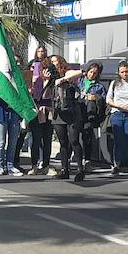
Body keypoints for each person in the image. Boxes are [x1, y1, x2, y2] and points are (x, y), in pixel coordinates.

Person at [48, 55, 87, 183]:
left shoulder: (67, 72)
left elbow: (81, 72)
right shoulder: (49, 76)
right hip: (58, 112)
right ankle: (65, 169)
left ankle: (81, 170)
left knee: (74, 140)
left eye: (56, 61)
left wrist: (63, 79)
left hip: (71, 111)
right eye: (51, 62)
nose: (54, 64)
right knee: (63, 142)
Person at [26, 47, 54, 175]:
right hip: (35, 109)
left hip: (47, 109)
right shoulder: (31, 81)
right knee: (35, 138)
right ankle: (34, 165)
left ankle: (46, 165)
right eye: (33, 68)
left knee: (47, 138)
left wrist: (47, 80)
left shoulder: (51, 78)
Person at [79, 62, 107, 167]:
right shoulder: (79, 81)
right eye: (90, 72)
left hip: (89, 114)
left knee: (87, 136)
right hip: (78, 111)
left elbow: (104, 100)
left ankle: (87, 160)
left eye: (95, 73)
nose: (91, 75)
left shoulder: (99, 86)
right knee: (73, 137)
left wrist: (96, 98)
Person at [0, 89, 25, 177]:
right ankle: (0, 166)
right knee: (1, 142)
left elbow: (21, 98)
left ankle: (10, 166)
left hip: (14, 113)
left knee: (13, 141)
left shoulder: (16, 80)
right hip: (1, 113)